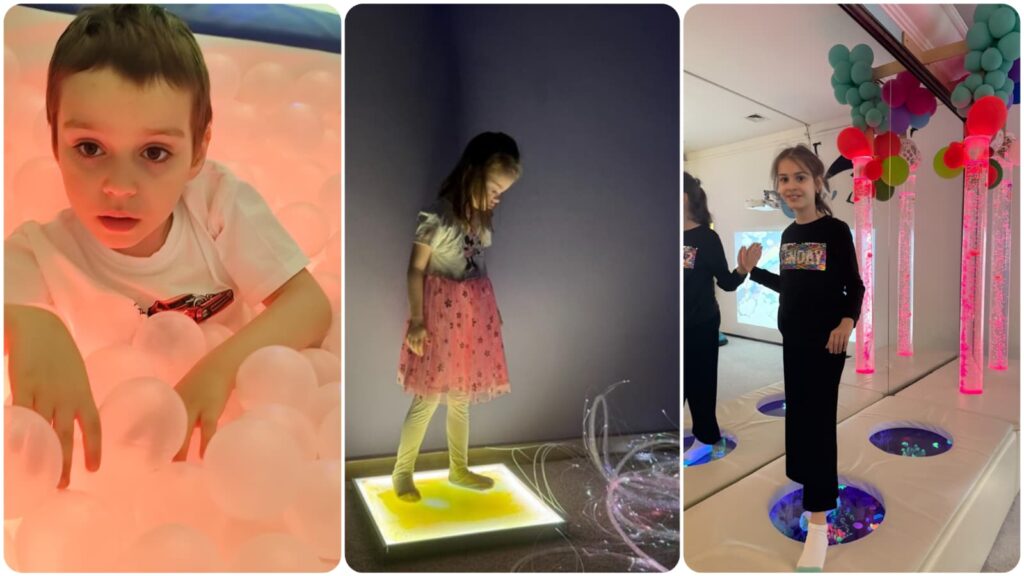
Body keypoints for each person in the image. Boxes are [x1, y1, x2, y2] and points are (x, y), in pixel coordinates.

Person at [4, 5, 332, 488]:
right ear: (53, 141)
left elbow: (309, 304)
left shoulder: (218, 204)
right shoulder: (36, 252)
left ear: (199, 152)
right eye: (89, 148)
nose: (119, 186)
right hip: (123, 459)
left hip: (237, 447)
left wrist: (218, 370)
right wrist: (26, 319)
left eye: (154, 153)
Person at [747, 144, 865, 572]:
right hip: (792, 343)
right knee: (799, 420)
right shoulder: (787, 235)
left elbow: (856, 287)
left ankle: (818, 525)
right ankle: (813, 494)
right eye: (783, 179)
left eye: (799, 177)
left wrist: (846, 323)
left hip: (825, 345)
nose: (791, 186)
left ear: (818, 183)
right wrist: (752, 273)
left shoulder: (835, 231)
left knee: (816, 426)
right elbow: (793, 287)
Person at [392, 132, 519, 502]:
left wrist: (491, 311)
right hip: (440, 316)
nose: (497, 198)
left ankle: (459, 468)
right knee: (428, 397)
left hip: (473, 316)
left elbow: (479, 267)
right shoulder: (437, 216)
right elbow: (415, 269)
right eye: (495, 188)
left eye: (502, 192)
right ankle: (402, 471)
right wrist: (417, 320)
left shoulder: (480, 220)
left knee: (461, 396)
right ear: (473, 173)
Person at [682, 172, 756, 465]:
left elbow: (725, 282)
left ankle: (705, 438)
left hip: (700, 323)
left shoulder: (705, 237)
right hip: (670, 325)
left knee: (700, 382)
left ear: (685, 197)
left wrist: (743, 269)